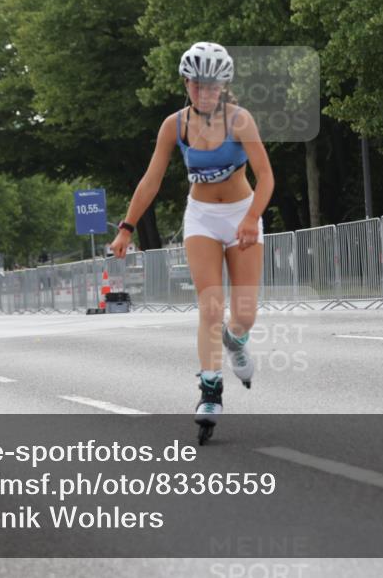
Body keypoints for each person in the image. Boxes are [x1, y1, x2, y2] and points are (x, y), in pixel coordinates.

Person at [109, 42, 274, 442]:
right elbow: (152, 180)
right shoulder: (175, 125)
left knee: (245, 314)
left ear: (223, 86)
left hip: (241, 214)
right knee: (210, 305)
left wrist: (252, 218)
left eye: (212, 86)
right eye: (197, 85)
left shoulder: (240, 121)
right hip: (201, 217)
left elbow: (266, 177)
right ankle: (210, 390)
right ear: (186, 83)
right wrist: (126, 227)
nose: (204, 92)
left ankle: (237, 343)